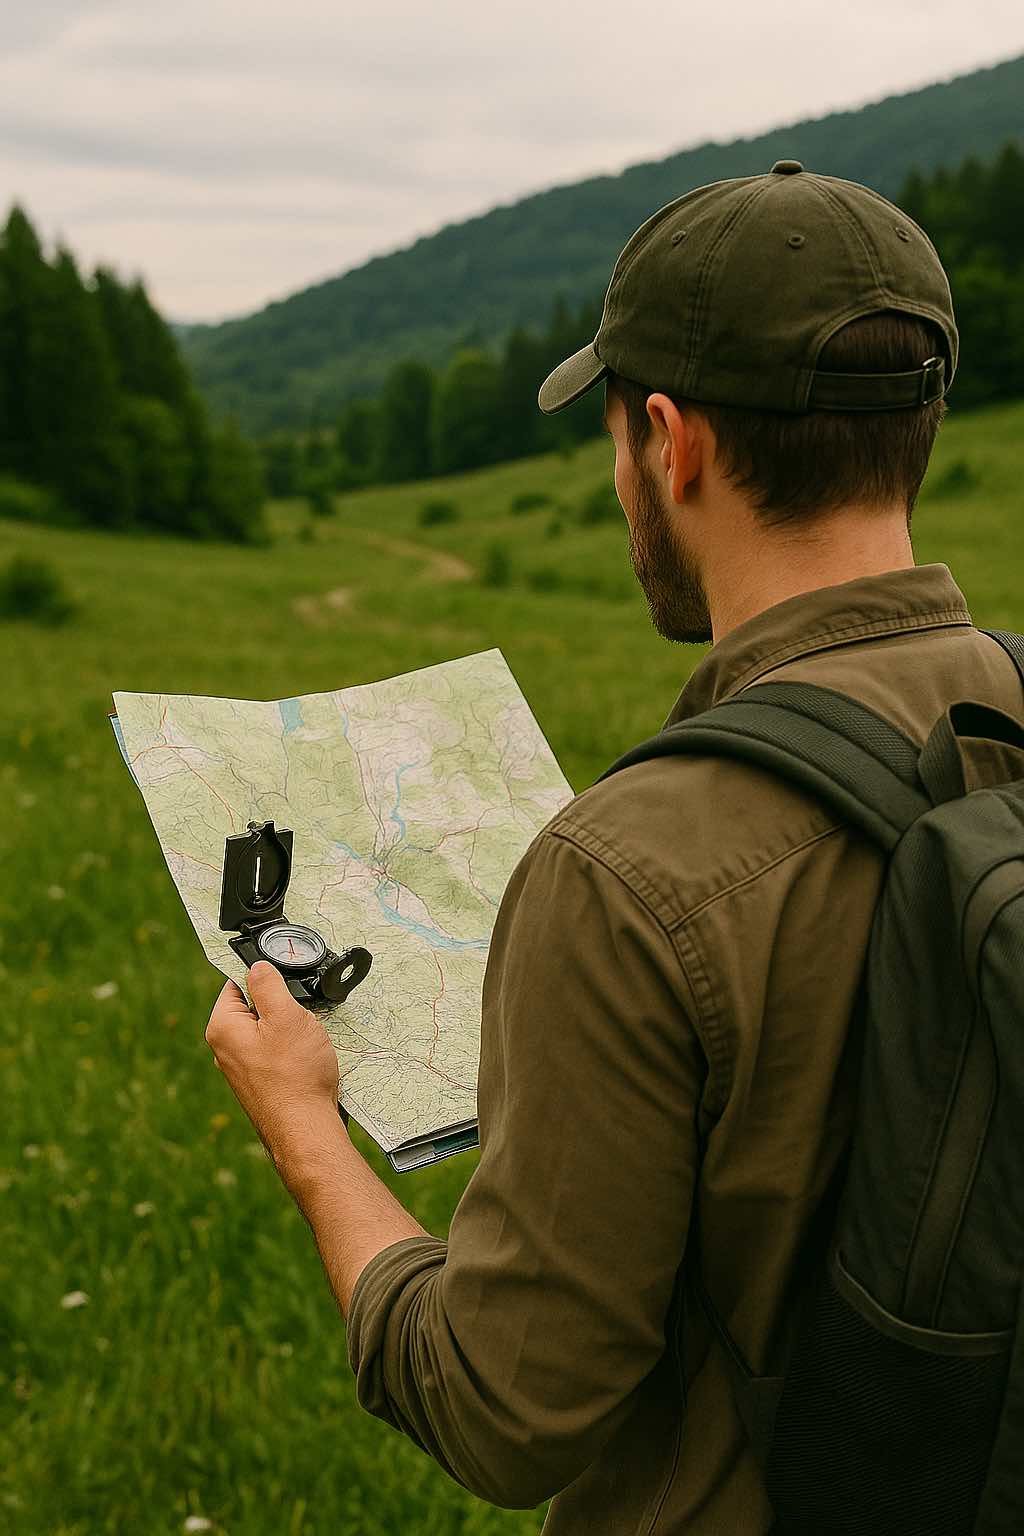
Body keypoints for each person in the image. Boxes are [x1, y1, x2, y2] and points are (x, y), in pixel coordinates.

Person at [204, 161, 1024, 1534]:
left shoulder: (626, 871)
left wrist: (300, 1125)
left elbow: (502, 1410)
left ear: (671, 440)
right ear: (917, 427)